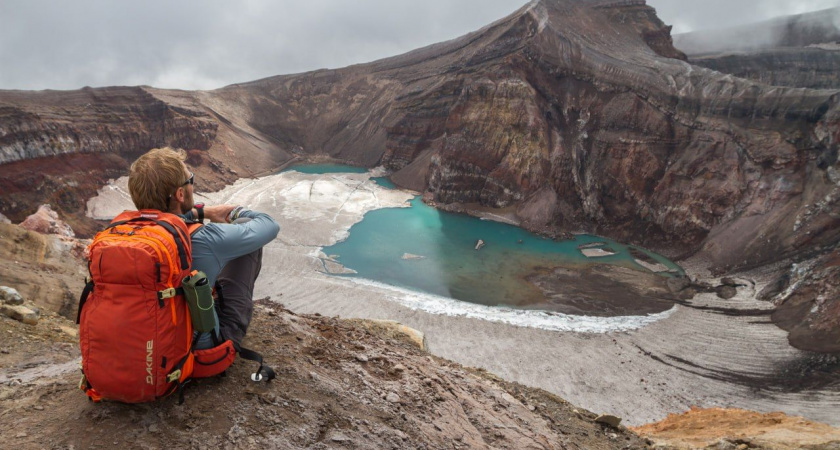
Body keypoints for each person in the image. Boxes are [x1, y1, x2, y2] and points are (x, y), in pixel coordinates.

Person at [127, 147, 279, 350]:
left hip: (144, 344)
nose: (192, 185)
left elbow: (169, 219)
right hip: (196, 347)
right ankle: (226, 333)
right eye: (190, 180)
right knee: (246, 240)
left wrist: (201, 211)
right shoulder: (204, 239)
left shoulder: (124, 233)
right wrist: (235, 213)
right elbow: (269, 224)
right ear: (180, 194)